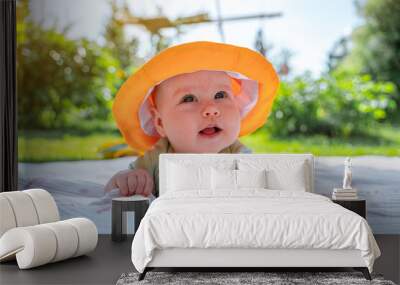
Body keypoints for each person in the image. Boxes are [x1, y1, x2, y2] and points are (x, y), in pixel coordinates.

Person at [104, 41, 279, 197]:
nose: (211, 109)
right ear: (160, 123)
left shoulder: (235, 152)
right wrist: (127, 179)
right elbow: (118, 186)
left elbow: (258, 178)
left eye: (220, 94)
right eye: (188, 99)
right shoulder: (159, 155)